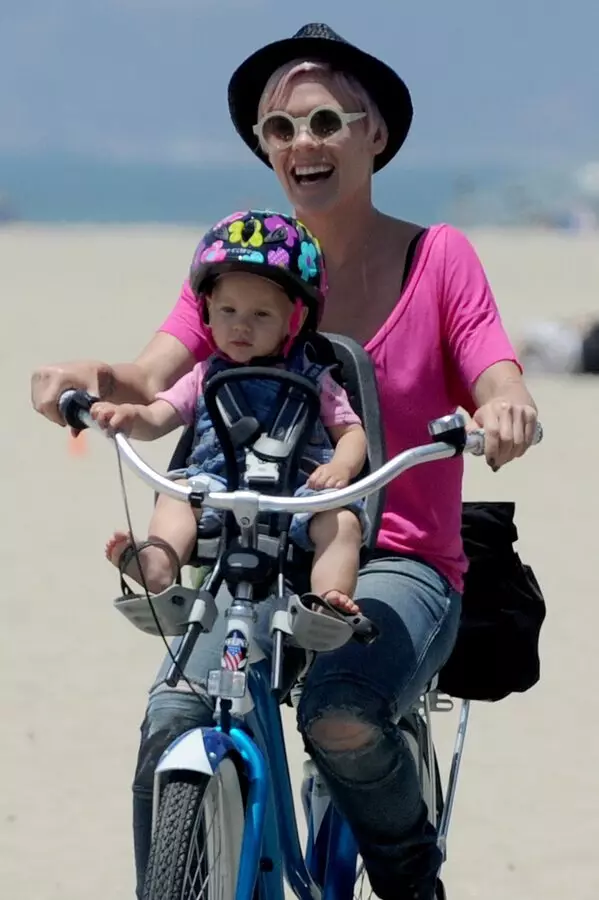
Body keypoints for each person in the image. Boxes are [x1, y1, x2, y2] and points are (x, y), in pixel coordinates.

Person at [31, 23, 539, 900]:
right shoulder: (249, 268)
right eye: (279, 129)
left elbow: (493, 363)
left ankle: (412, 883)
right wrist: (88, 375)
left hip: (399, 556)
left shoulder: (439, 257)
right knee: (172, 716)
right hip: (252, 549)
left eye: (327, 121)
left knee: (339, 711)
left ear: (375, 133)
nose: (302, 144)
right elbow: (154, 376)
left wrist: (505, 403)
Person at [91, 209, 368, 614]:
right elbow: (159, 417)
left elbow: (352, 433)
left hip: (297, 495)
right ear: (206, 310)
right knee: (176, 494)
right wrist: (128, 417)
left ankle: (327, 601)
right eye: (228, 311)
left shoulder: (315, 377)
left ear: (296, 317)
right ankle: (160, 563)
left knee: (342, 522)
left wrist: (342, 468)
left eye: (261, 314)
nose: (241, 326)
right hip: (218, 488)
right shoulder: (204, 375)